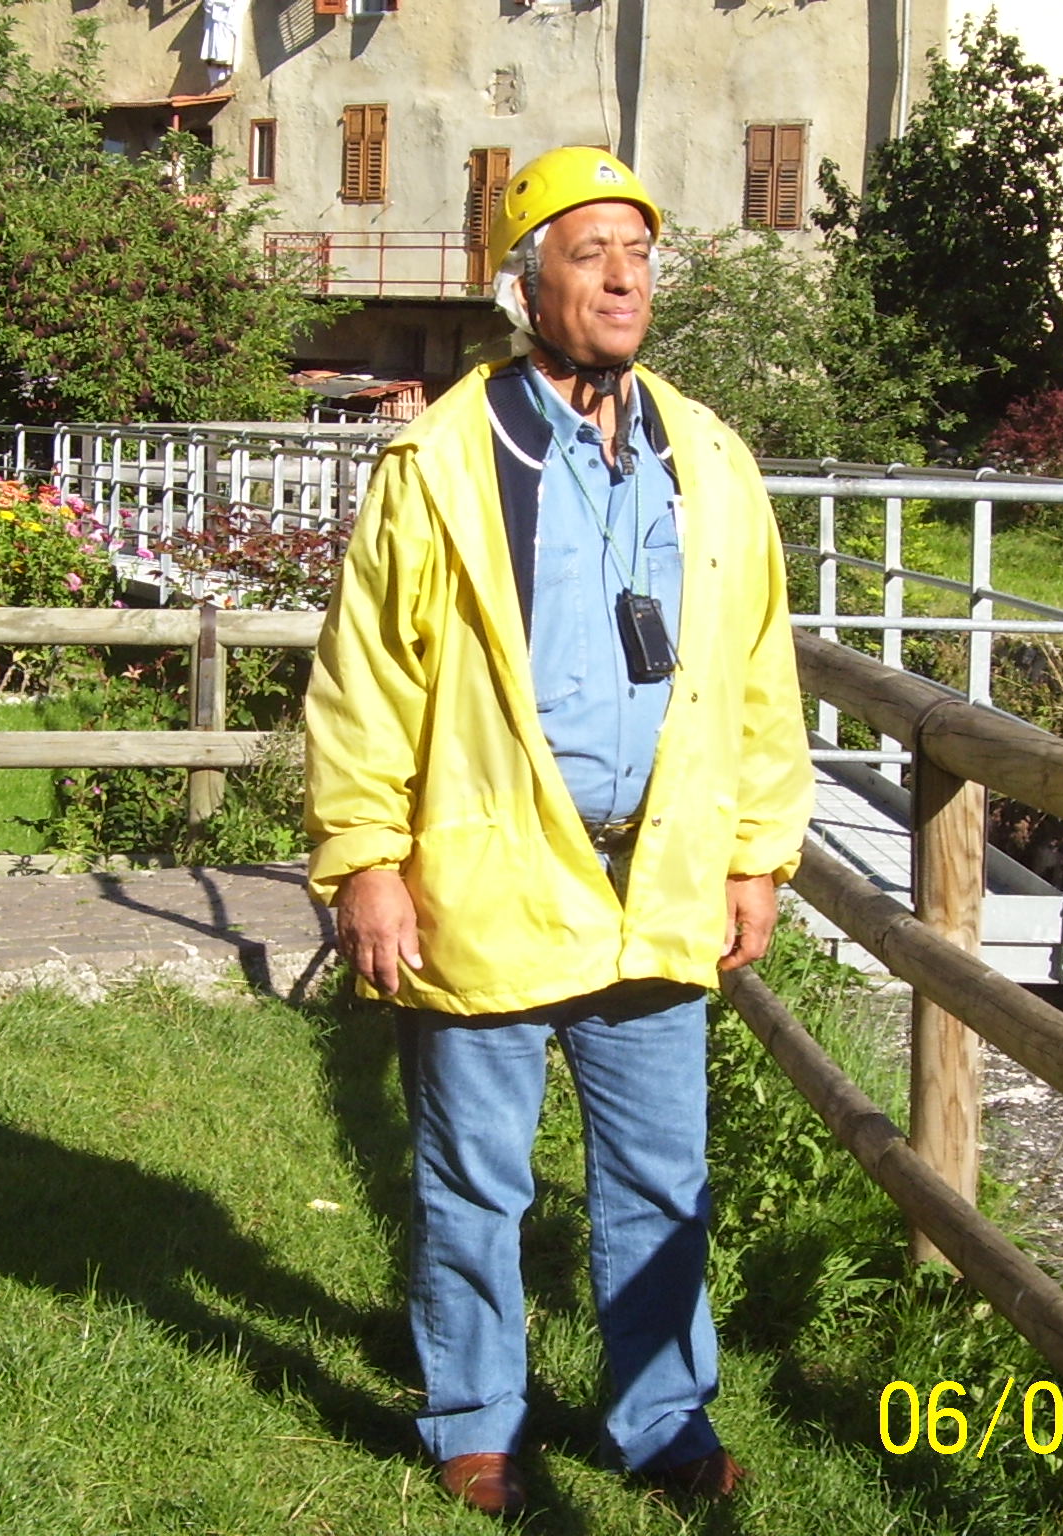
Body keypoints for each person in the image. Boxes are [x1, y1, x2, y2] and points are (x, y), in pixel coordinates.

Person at [301, 146, 812, 1518]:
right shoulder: (444, 462)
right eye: (592, 254)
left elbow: (758, 670)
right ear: (525, 289)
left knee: (661, 1177)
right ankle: (476, 1420)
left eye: (640, 253)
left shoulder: (708, 457)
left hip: (661, 874)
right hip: (488, 868)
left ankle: (663, 1421)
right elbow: (368, 677)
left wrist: (758, 851)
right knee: (477, 1182)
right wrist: (366, 860)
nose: (626, 277)